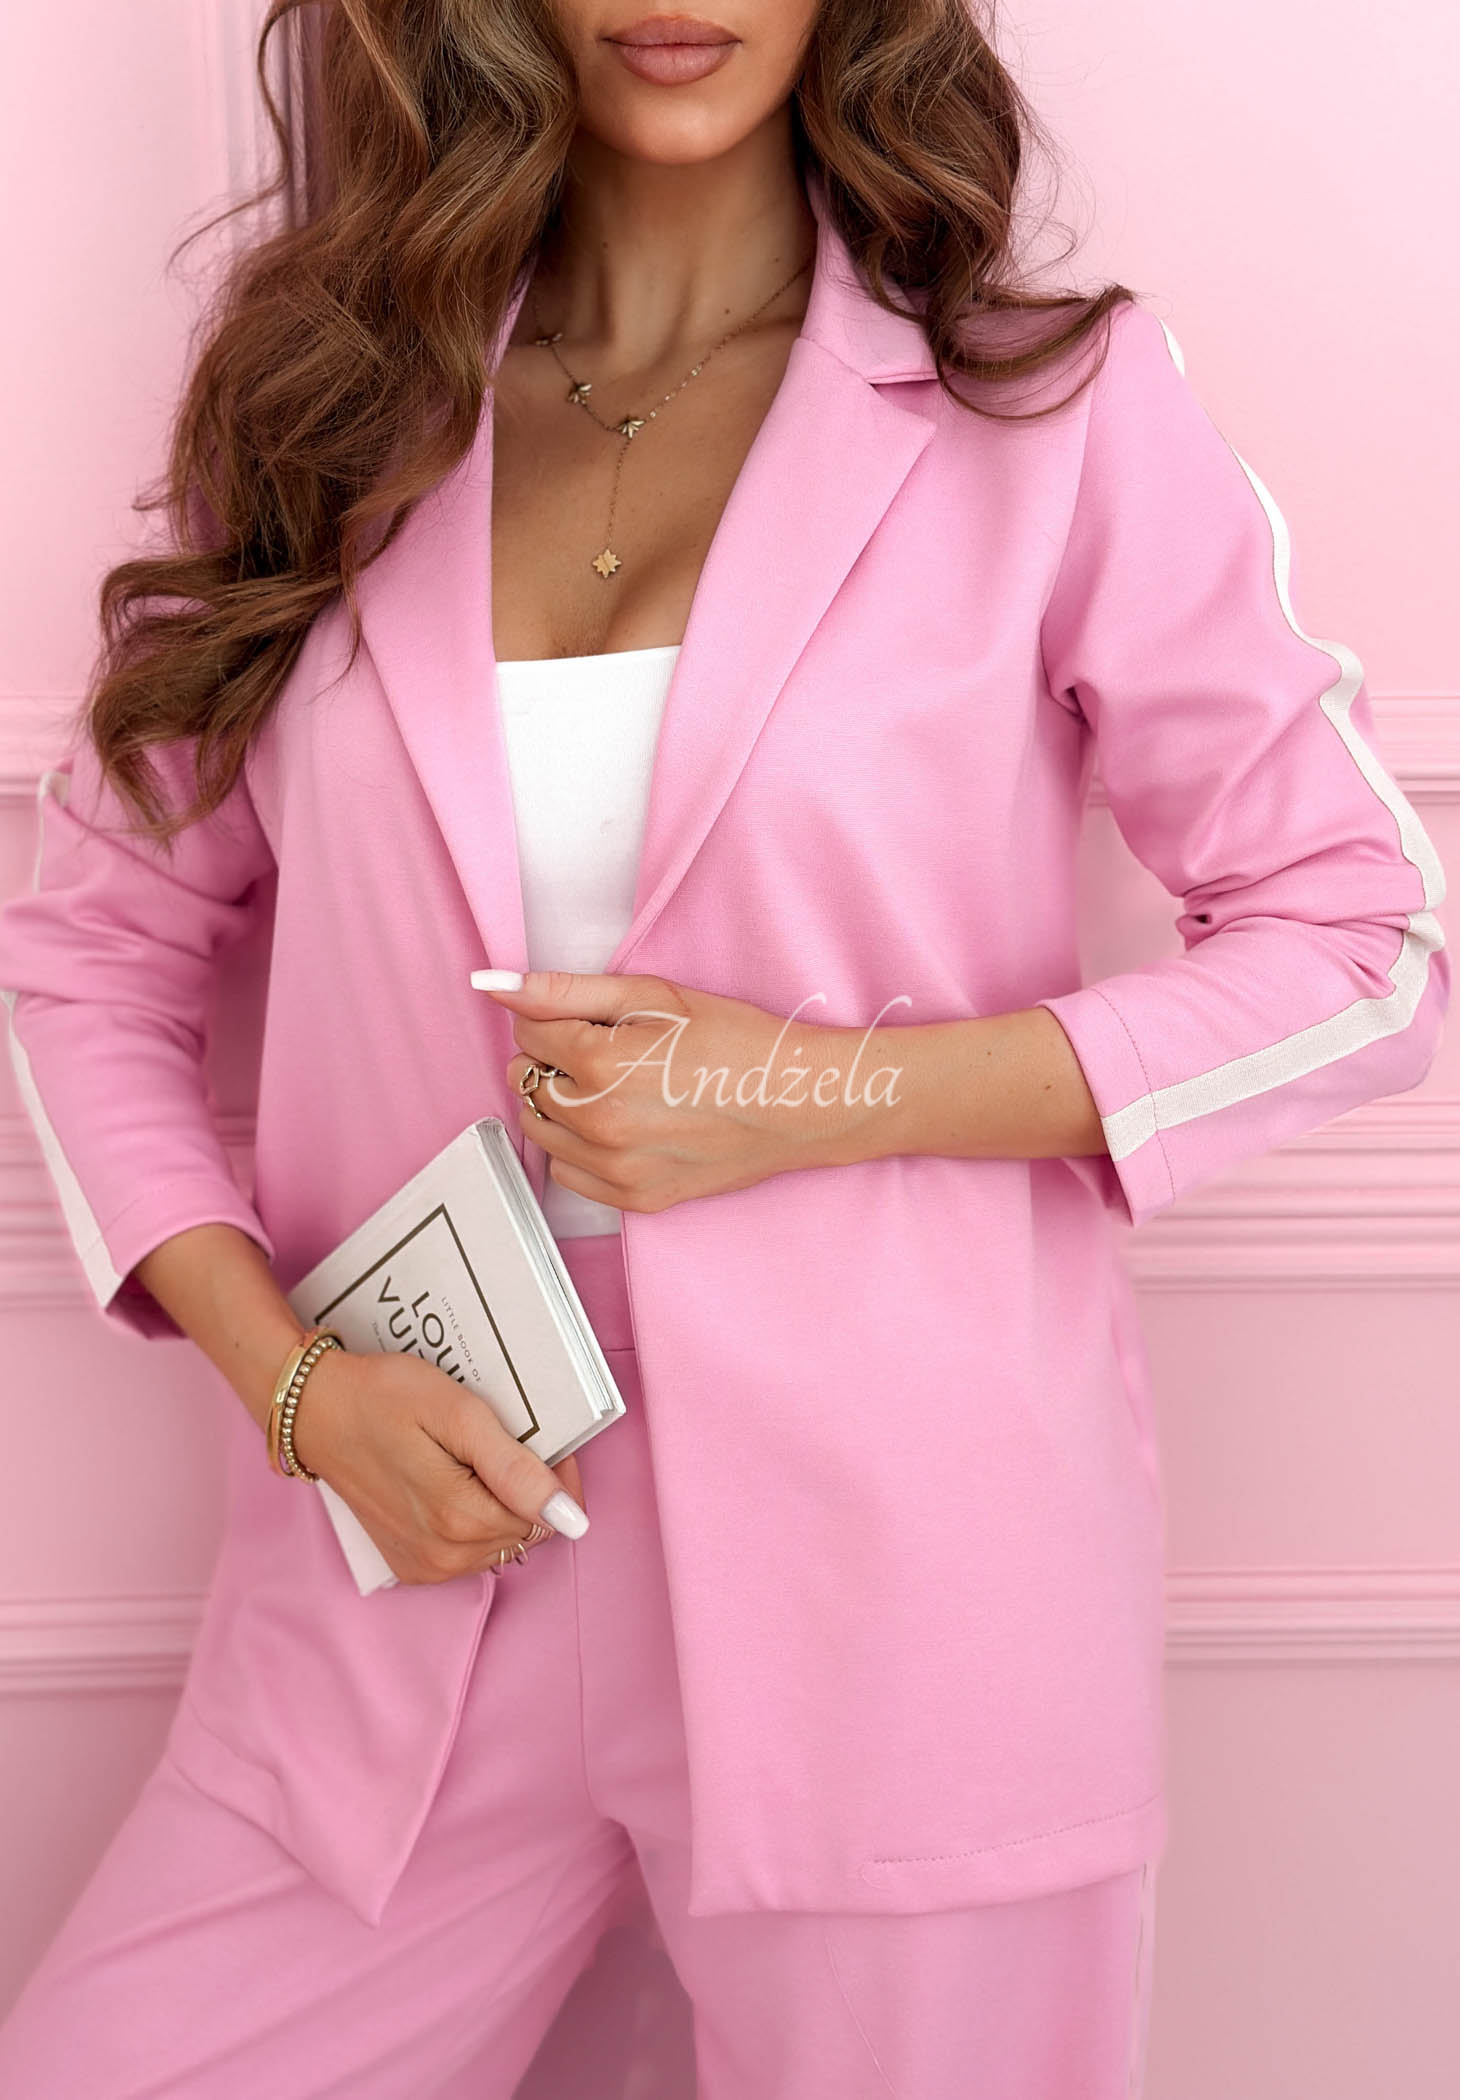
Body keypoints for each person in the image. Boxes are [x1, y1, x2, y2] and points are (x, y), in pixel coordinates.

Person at [0, 2, 1448, 2095]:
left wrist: (802, 1093)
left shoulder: (1048, 411)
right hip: (412, 1543)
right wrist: (299, 1391)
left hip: (909, 1582)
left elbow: (1362, 938)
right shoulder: (329, 417)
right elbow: (94, 958)